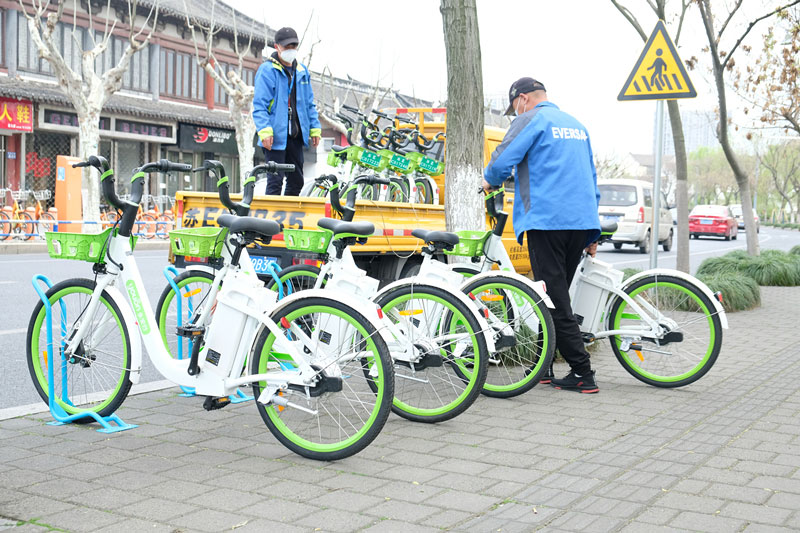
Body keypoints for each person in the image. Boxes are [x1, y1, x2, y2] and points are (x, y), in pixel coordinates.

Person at [482, 77, 601, 394]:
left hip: (547, 221)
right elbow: (591, 177)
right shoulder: (577, 126)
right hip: (580, 223)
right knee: (551, 296)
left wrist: (488, 180)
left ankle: (582, 372)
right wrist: (594, 230)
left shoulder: (530, 119)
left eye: (514, 108)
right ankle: (542, 366)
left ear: (522, 99)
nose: (515, 114)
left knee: (555, 300)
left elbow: (502, 160)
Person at [253, 27, 321, 196]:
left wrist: (315, 128)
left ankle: (288, 213)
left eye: (293, 46)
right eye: (286, 46)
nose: (290, 49)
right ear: (277, 47)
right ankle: (272, 214)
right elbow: (260, 105)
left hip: (296, 135)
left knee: (297, 181)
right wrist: (264, 130)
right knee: (275, 181)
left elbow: (309, 104)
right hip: (275, 136)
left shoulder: (302, 71)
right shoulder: (267, 70)